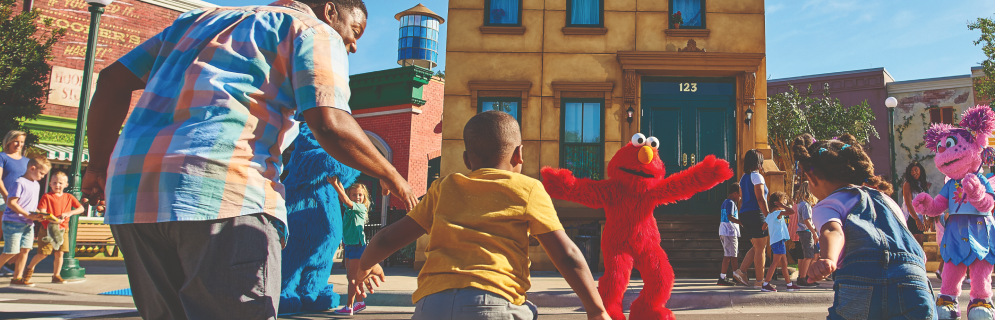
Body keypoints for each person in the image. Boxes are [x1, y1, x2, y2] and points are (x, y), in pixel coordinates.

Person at [81, 1, 418, 318]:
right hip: (223, 191)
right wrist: (391, 174)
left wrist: (97, 166)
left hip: (132, 197)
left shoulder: (196, 21)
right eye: (354, 32)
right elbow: (329, 123)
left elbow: (111, 80)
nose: (354, 46)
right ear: (330, 11)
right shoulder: (313, 30)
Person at [352, 111, 610, 320]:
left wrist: (366, 265)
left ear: (467, 160)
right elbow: (567, 255)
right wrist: (596, 310)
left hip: (431, 305)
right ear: (519, 154)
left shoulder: (444, 187)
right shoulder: (528, 189)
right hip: (494, 301)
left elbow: (387, 238)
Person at [800, 134, 936, 319]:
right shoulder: (887, 200)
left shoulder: (829, 203)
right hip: (914, 279)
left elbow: (833, 230)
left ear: (812, 178)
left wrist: (828, 258)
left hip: (863, 279)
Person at [326, 177, 380, 315]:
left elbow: (345, 200)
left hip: (357, 246)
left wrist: (334, 184)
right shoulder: (349, 208)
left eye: (360, 195)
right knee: (351, 277)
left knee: (352, 278)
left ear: (364, 197)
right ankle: (359, 302)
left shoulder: (360, 208)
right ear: (350, 195)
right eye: (354, 195)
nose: (357, 197)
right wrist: (339, 182)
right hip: (349, 246)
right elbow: (344, 197)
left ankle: (349, 306)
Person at [25, 171, 85, 283]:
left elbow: (81, 208)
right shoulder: (47, 196)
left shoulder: (69, 196)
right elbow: (42, 212)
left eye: (60, 183)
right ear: (50, 184)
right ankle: (29, 269)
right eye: (54, 182)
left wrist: (69, 213)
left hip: (63, 230)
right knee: (43, 253)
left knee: (60, 253)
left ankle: (56, 275)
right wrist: (52, 219)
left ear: (66, 185)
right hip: (47, 229)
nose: (57, 185)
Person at [1, 155, 50, 287]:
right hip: (13, 222)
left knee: (25, 250)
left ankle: (17, 278)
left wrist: (38, 214)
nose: (42, 177)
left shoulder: (36, 185)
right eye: (41, 173)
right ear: (32, 168)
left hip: (28, 223)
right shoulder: (19, 182)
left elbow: (31, 205)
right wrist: (28, 215)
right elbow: (11, 203)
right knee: (11, 251)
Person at [733, 150, 771, 288]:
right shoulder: (757, 176)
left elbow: (742, 198)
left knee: (756, 247)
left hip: (745, 213)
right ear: (758, 162)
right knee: (761, 248)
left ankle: (741, 271)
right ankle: (760, 282)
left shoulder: (743, 178)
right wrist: (769, 217)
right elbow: (760, 199)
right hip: (756, 213)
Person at [763, 191, 798, 292]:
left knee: (784, 263)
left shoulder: (770, 215)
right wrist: (783, 206)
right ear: (777, 203)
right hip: (778, 241)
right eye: (783, 202)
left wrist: (772, 227)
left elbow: (763, 227)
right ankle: (765, 284)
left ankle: (789, 284)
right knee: (775, 263)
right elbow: (792, 211)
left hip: (776, 241)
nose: (785, 204)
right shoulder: (778, 213)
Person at [793, 181, 821, 287]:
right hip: (806, 231)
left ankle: (807, 276)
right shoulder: (805, 204)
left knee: (813, 254)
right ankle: (802, 278)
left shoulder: (802, 203)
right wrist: (814, 232)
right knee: (808, 256)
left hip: (805, 231)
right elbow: (806, 220)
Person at [902, 162, 931, 247]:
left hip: (920, 217)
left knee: (920, 245)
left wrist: (925, 219)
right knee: (915, 246)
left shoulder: (922, 185)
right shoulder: (907, 184)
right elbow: (908, 203)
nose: (914, 172)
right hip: (911, 217)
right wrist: (916, 219)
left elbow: (924, 204)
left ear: (920, 170)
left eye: (916, 170)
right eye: (911, 171)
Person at [717, 183, 741, 286]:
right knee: (729, 255)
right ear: (735, 193)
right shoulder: (731, 203)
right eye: (740, 195)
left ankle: (735, 276)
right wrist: (741, 222)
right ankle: (723, 277)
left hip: (725, 231)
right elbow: (730, 217)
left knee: (732, 254)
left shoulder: (725, 202)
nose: (740, 197)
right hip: (729, 231)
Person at [1, 131, 29, 218]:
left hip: (19, 200)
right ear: (9, 141)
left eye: (22, 142)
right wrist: (6, 196)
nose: (19, 144)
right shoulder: (2, 157)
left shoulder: (27, 161)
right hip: (3, 198)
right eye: (16, 141)